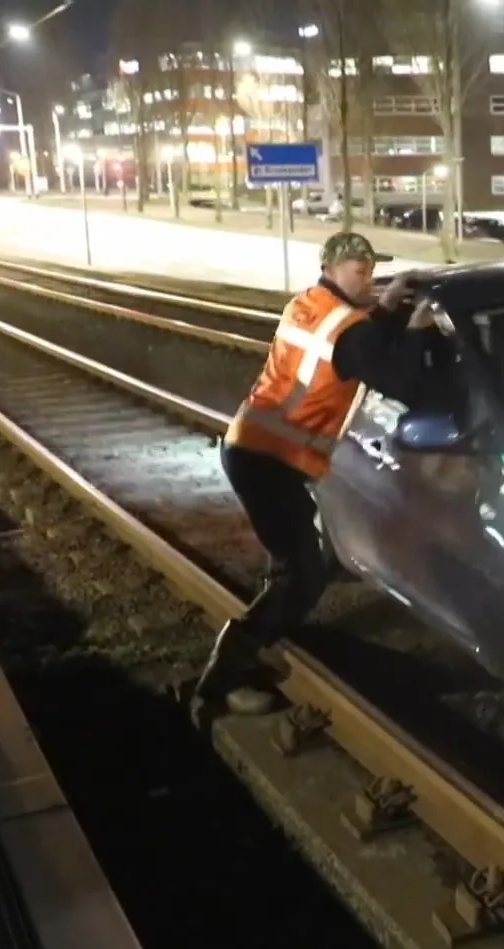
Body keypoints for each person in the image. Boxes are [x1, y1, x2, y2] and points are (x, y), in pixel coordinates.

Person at [187, 232, 438, 728]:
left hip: (255, 447)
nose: (366, 274)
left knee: (297, 558)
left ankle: (266, 622)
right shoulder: (350, 329)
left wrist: (383, 308)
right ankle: (223, 679)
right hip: (269, 459)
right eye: (357, 269)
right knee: (302, 572)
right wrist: (417, 328)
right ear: (331, 267)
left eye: (371, 268)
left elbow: (352, 342)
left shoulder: (310, 304)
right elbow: (402, 380)